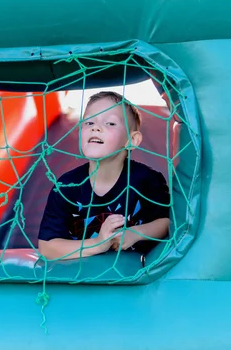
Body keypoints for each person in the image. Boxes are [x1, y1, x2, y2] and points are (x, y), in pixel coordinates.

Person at [37, 90, 170, 260]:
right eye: (89, 122)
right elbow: (47, 247)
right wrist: (99, 243)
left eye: (110, 123)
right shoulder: (66, 186)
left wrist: (135, 233)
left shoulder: (147, 180)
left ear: (132, 140)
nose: (96, 127)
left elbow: (166, 222)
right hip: (82, 277)